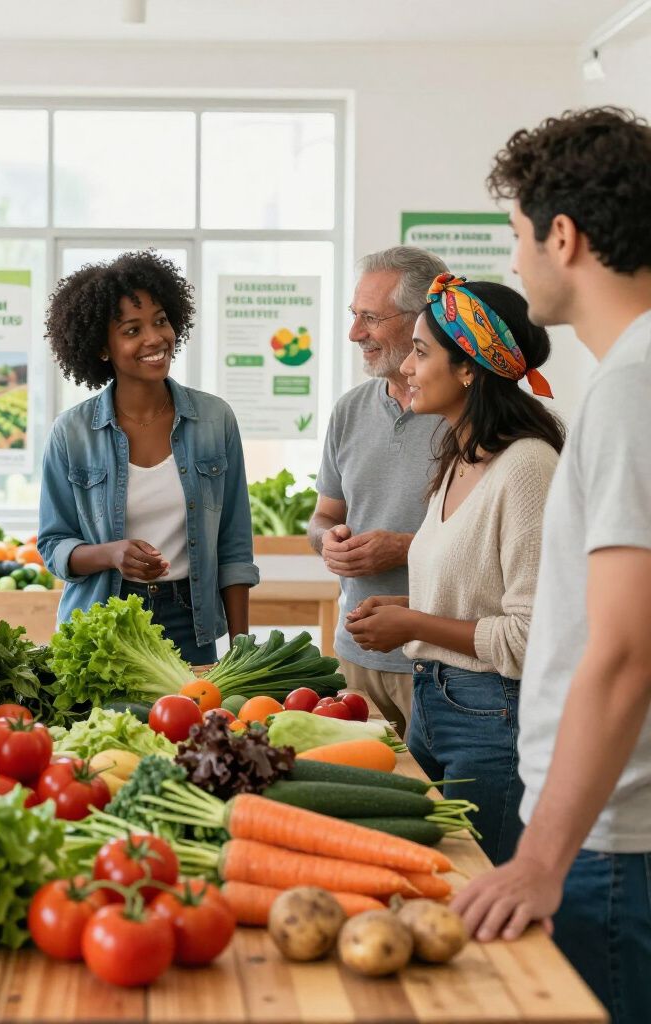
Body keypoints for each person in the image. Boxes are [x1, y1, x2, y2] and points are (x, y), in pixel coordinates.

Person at [449, 108, 651, 1023]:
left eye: (518, 235)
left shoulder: (629, 388)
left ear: (562, 236)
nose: (518, 259)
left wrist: (542, 856)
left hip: (610, 840)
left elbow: (622, 649)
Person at [346, 274, 563, 865]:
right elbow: (474, 596)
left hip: (494, 719)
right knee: (443, 879)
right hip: (437, 703)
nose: (408, 369)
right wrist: (407, 614)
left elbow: (528, 635)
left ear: (468, 368)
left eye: (420, 352)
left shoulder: (526, 468)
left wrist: (414, 623)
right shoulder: (459, 457)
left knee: (476, 891)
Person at [38, 250, 259, 664]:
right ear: (102, 348)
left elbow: (234, 545)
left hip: (189, 622)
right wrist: (112, 554)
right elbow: (54, 546)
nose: (155, 338)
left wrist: (242, 649)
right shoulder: (71, 433)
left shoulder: (214, 420)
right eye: (131, 329)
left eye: (160, 321)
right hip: (102, 623)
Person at [309, 246, 448, 735]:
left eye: (370, 318)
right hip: (355, 660)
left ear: (419, 321)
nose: (354, 334)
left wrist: (403, 549)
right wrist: (329, 540)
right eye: (354, 315)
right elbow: (324, 515)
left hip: (437, 667)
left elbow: (491, 553)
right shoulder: (350, 410)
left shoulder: (465, 414)